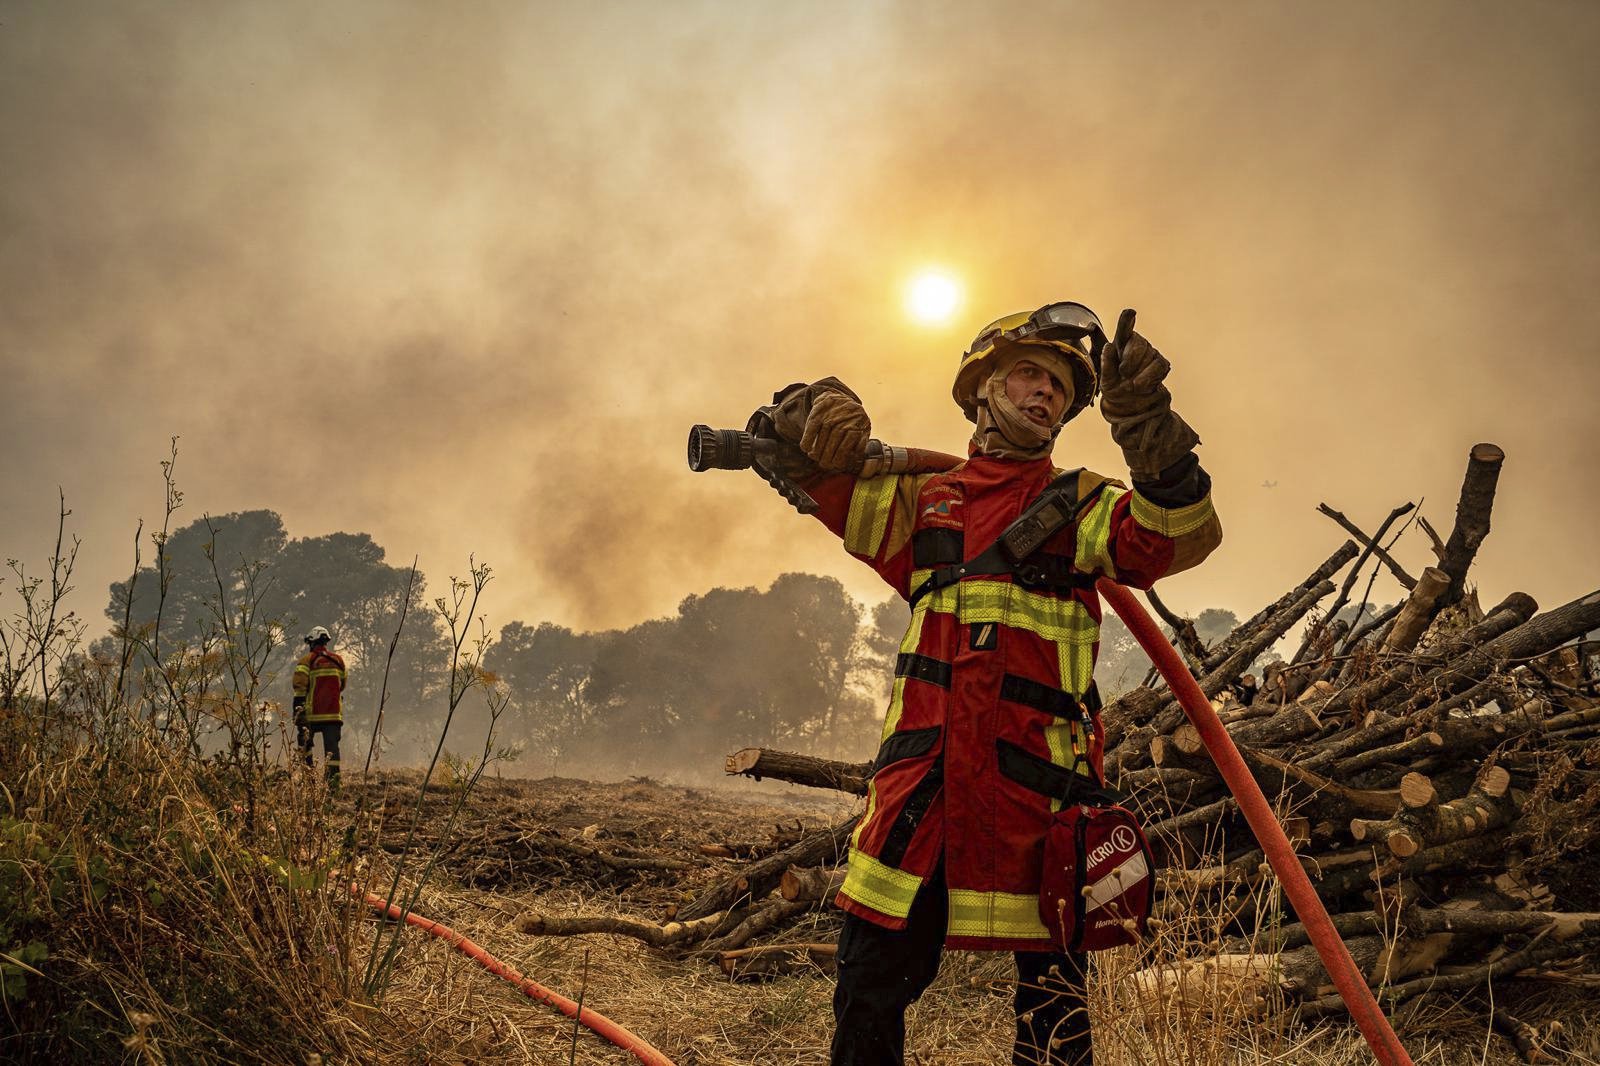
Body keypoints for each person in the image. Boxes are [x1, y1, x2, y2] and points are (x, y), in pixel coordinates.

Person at [753, 302, 1223, 1065]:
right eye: (1029, 374)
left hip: (1037, 800)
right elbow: (802, 468)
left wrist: (1150, 429)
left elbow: (1179, 534)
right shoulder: (921, 500)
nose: (1047, 393)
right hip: (920, 798)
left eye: (1060, 388)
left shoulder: (1081, 506)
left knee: (1055, 1016)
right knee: (868, 990)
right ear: (981, 388)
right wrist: (811, 410)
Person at [292, 625, 347, 787]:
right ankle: (333, 784)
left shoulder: (306, 661)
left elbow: (299, 687)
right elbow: (342, 685)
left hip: (311, 714)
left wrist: (298, 710)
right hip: (333, 715)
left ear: (312, 643)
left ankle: (310, 781)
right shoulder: (339, 661)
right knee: (332, 750)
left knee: (305, 745)